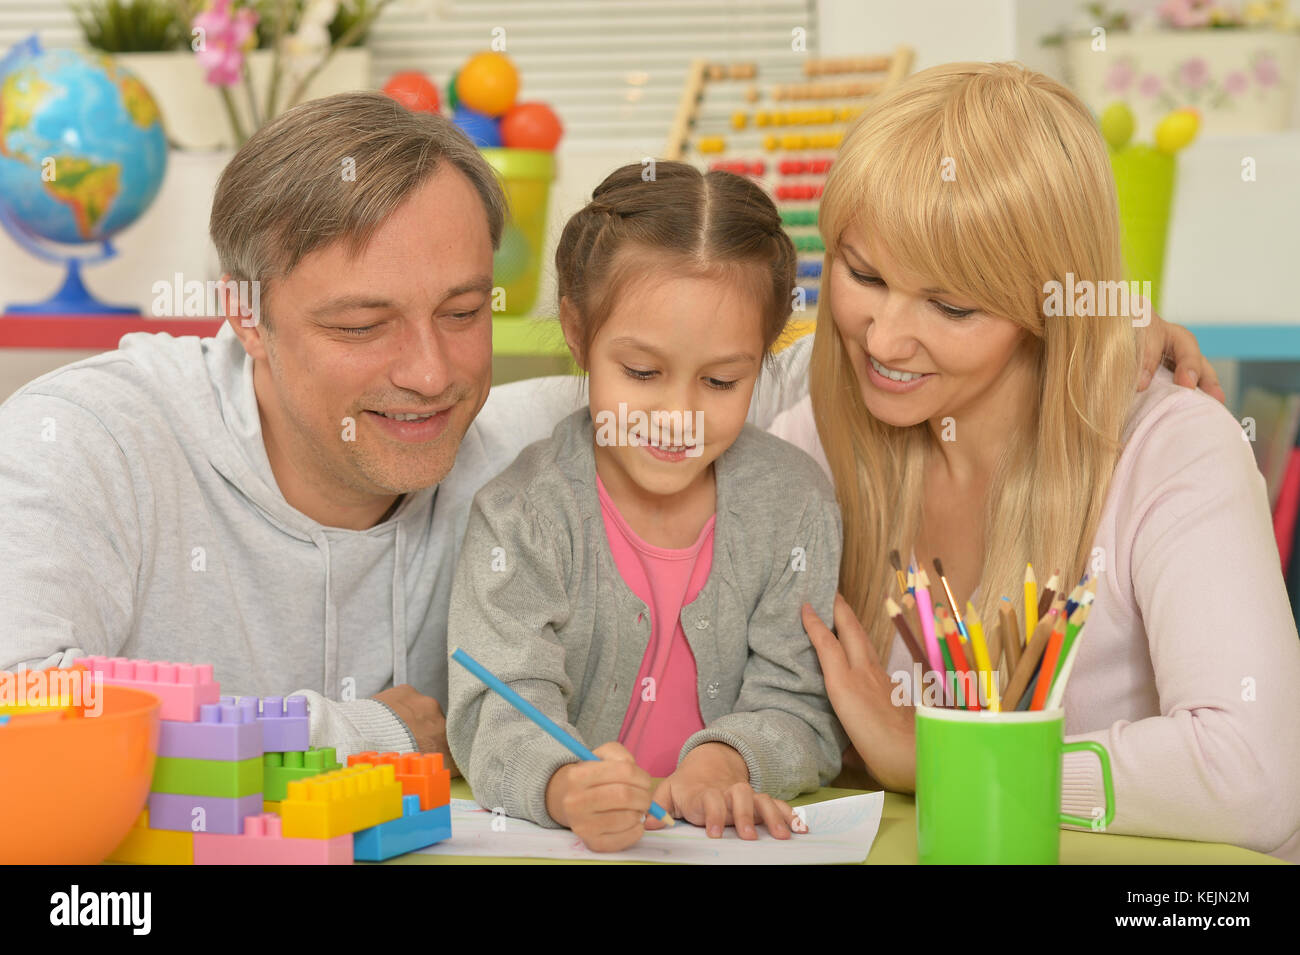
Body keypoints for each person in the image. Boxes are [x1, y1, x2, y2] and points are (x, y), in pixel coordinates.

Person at [0, 88, 1220, 776]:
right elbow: (21, 718)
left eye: (466, 310)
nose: (430, 373)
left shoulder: (537, 429)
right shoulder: (86, 443)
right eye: (363, 323)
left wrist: (1081, 330)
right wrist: (376, 730)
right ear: (245, 321)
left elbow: (776, 377)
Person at [782, 62, 1300, 861]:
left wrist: (940, 759)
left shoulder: (1176, 450)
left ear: (1046, 306)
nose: (883, 338)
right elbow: (610, 399)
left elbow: (1255, 777)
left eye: (952, 306)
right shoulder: (808, 431)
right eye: (865, 275)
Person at [446, 162, 845, 852]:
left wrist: (725, 763)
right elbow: (495, 712)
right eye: (641, 372)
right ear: (577, 331)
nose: (679, 416)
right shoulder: (521, 516)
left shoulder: (796, 505)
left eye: (722, 379)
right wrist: (566, 785)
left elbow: (802, 706)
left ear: (764, 356)